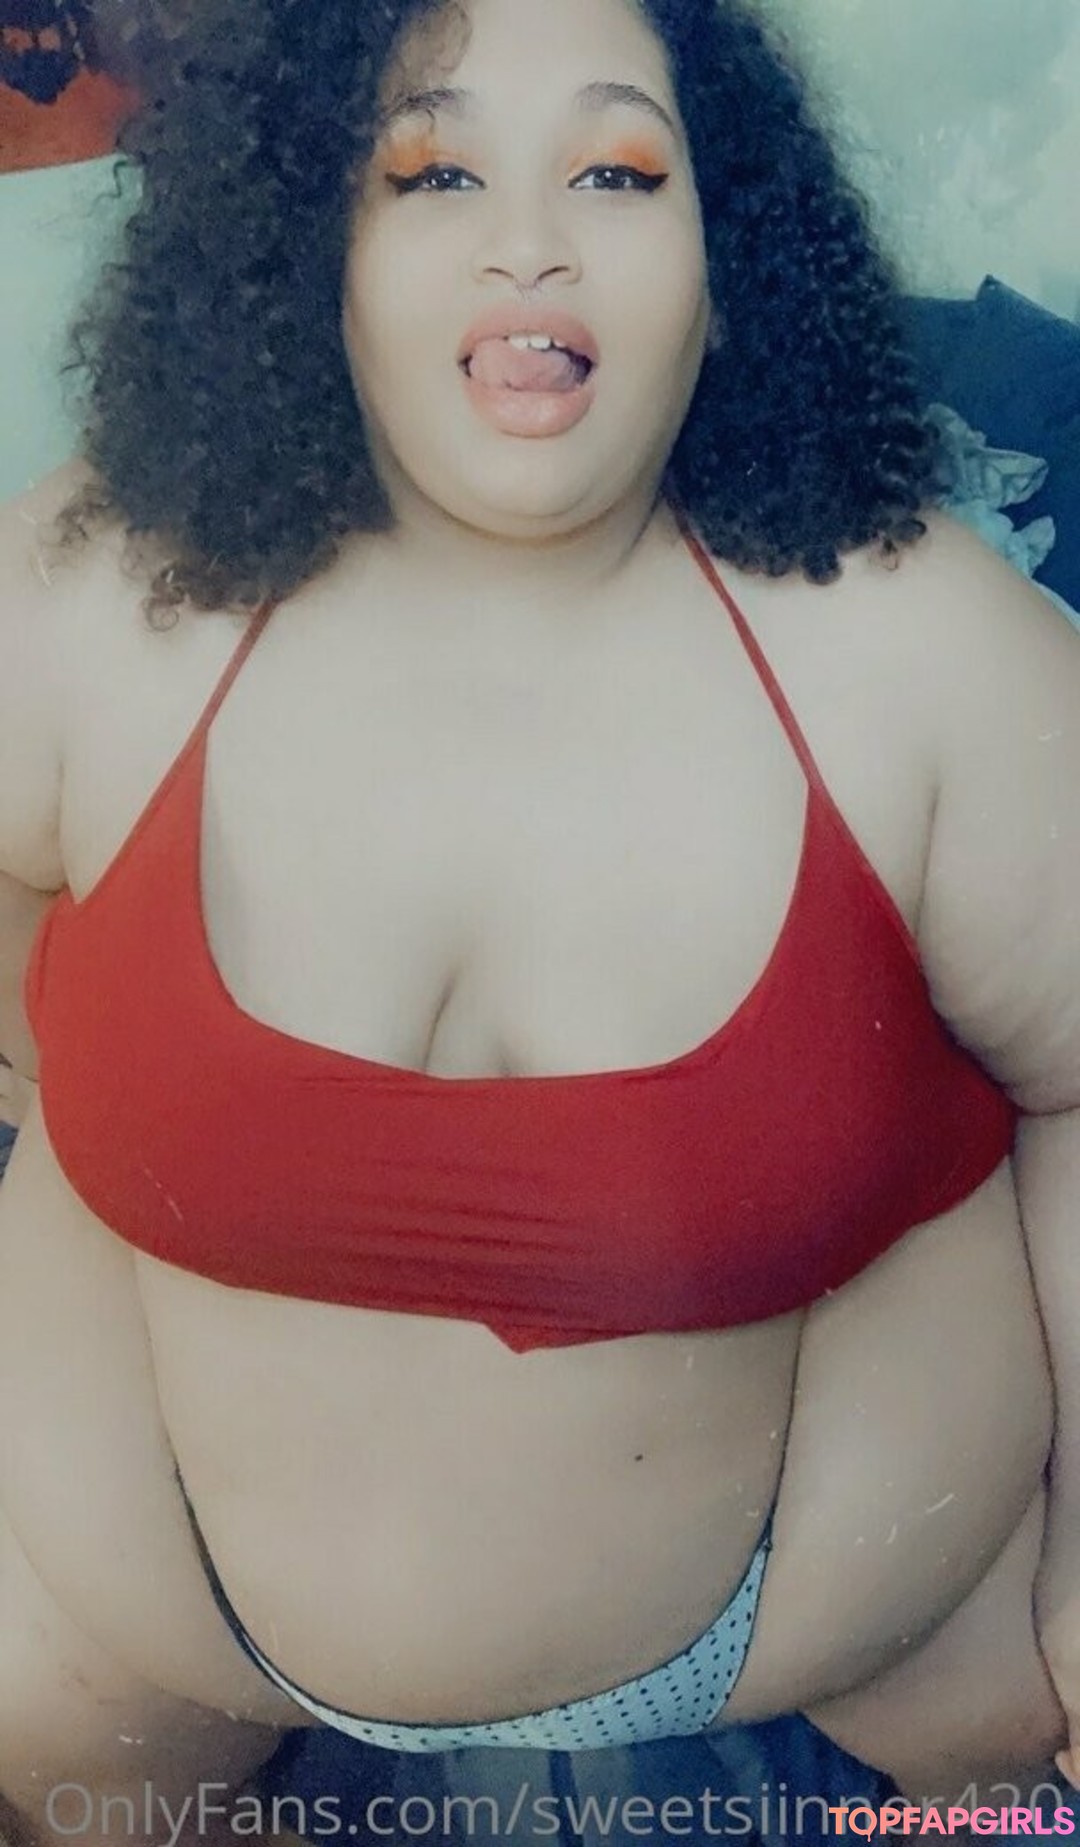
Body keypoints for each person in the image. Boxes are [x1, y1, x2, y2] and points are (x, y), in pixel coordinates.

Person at [2, 0, 1080, 1838]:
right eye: (433, 172)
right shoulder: (92, 590)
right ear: (312, 257)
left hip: (875, 1634)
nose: (530, 240)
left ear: (726, 270)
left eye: (617, 170)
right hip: (132, 1654)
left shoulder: (933, 655)